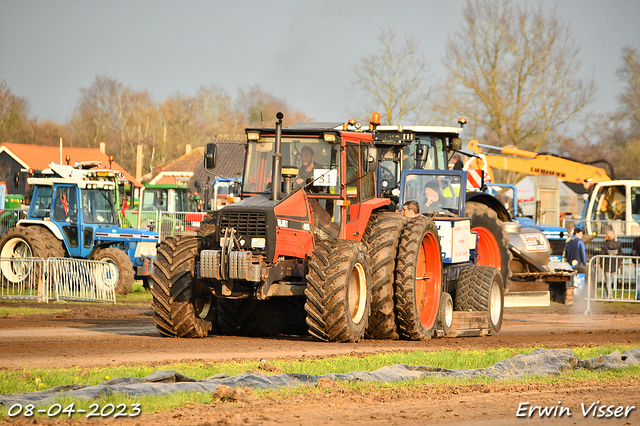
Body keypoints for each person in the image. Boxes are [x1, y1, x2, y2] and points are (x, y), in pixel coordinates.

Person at [600, 230, 622, 299]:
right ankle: (605, 296)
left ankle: (610, 296)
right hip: (615, 265)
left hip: (606, 265)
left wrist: (601, 264)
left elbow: (601, 256)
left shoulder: (605, 246)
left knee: (608, 281)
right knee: (609, 281)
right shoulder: (618, 245)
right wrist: (618, 264)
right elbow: (620, 255)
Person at [632, 236, 640, 300]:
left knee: (638, 281)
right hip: (638, 262)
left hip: (638, 262)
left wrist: (634, 261)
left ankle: (638, 296)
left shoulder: (637, 240)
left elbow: (633, 251)